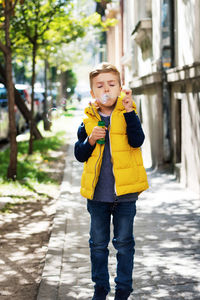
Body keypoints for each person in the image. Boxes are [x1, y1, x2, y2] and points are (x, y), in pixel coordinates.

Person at [74, 62, 148, 300]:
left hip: (125, 196)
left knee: (124, 244)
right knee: (97, 245)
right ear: (93, 92)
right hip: (97, 196)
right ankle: (100, 288)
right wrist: (90, 141)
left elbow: (137, 141)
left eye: (111, 84)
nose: (106, 88)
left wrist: (128, 112)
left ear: (120, 87)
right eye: (100, 85)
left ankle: (123, 290)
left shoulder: (129, 112)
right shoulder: (88, 119)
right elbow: (79, 154)